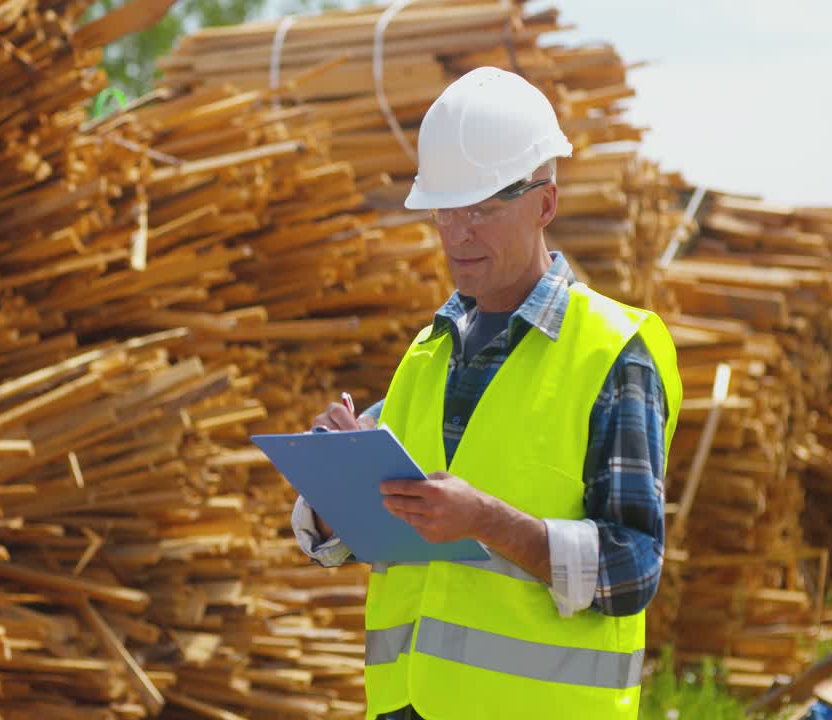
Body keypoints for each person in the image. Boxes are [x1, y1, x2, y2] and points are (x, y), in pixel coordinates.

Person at [289, 67, 683, 719]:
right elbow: (366, 536)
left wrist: (488, 522)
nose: (457, 233)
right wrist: (337, 485)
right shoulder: (429, 353)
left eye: (482, 209)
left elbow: (633, 569)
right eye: (444, 210)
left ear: (545, 205)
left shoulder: (613, 354)